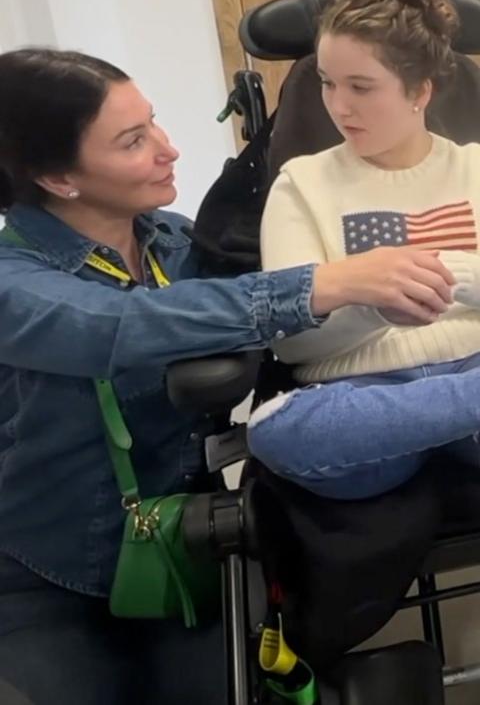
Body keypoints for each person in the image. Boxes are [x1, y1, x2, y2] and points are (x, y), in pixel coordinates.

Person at [0, 48, 453, 705]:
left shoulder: (182, 242)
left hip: (186, 541)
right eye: (134, 141)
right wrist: (322, 284)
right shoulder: (16, 283)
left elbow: (284, 333)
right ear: (57, 177)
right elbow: (117, 326)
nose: (170, 148)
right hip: (49, 569)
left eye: (154, 122)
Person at [250, 0, 480, 501]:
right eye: (328, 83)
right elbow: (293, 344)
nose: (338, 106)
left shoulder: (474, 168)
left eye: (361, 87)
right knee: (285, 436)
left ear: (420, 91)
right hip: (360, 392)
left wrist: (448, 274)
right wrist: (373, 302)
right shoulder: (300, 184)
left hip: (472, 361)